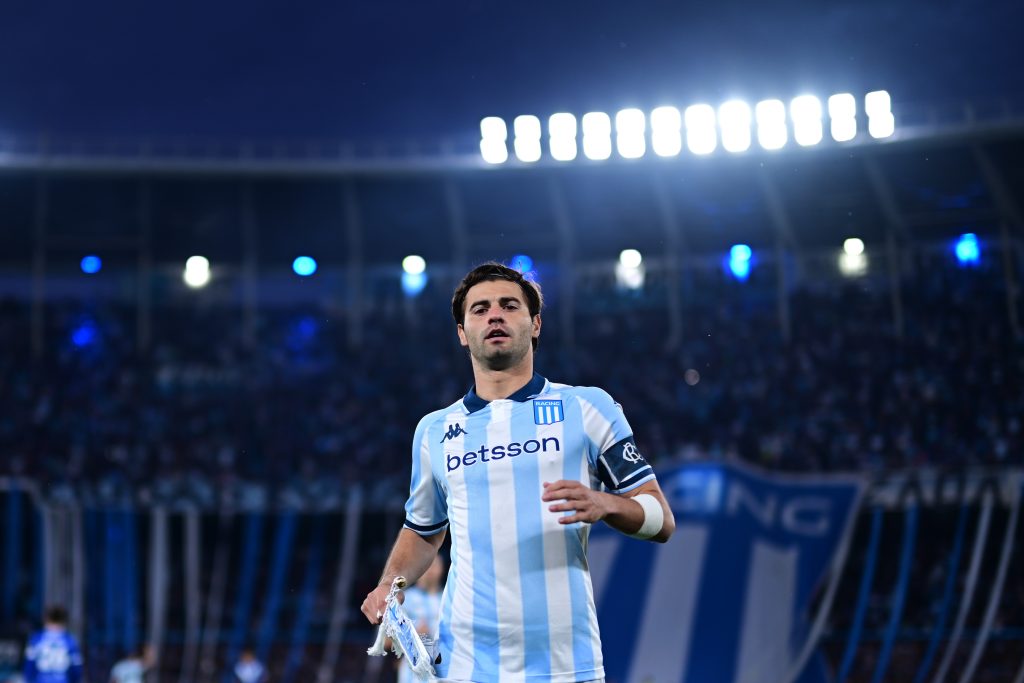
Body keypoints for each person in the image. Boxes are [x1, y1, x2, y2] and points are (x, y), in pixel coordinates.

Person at [361, 262, 676, 683]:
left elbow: (661, 520)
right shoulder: (434, 430)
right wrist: (390, 584)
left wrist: (606, 503)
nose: (495, 315)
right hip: (464, 668)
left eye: (509, 306)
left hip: (566, 666)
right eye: (480, 309)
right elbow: (423, 531)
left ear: (536, 324)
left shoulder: (587, 408)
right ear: (462, 333)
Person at [392, 555, 445, 683]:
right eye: (426, 565)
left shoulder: (448, 600)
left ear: (441, 569)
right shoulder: (404, 599)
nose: (430, 570)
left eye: (434, 565)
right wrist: (413, 635)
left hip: (444, 673)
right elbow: (387, 640)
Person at [22, 606, 83, 683]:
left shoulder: (36, 639)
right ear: (64, 621)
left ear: (45, 619)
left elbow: (29, 666)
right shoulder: (70, 641)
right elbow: (76, 669)